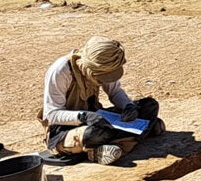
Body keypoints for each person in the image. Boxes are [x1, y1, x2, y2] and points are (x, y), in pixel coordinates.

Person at [41, 37, 164, 165]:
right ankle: (138, 134)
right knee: (94, 134)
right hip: (65, 129)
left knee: (150, 106)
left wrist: (127, 106)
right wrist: (83, 116)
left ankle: (118, 142)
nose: (105, 79)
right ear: (91, 68)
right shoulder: (61, 70)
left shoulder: (105, 65)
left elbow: (115, 92)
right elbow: (51, 115)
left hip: (97, 117)